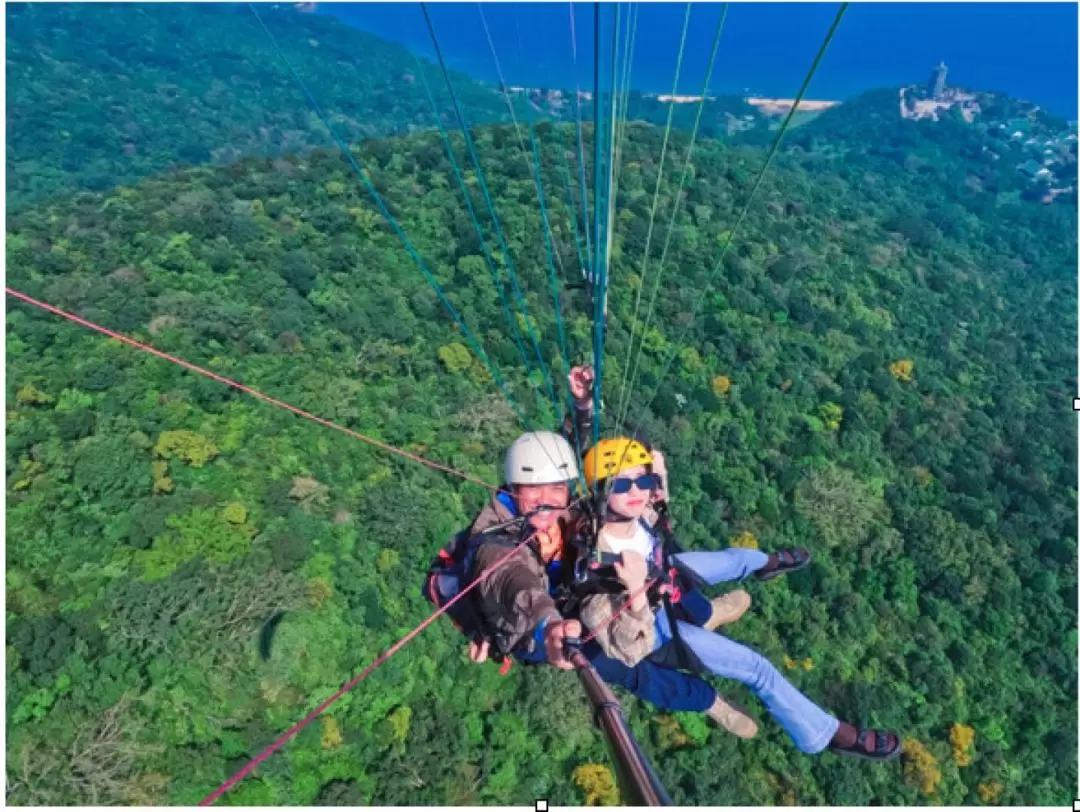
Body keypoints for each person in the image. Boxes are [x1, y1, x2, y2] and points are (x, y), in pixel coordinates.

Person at [576, 438, 901, 761]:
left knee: (732, 560)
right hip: (659, 630)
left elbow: (654, 510)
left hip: (667, 578)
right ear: (602, 490)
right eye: (622, 483)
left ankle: (765, 565)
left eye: (642, 481)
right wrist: (634, 592)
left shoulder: (635, 519)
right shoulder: (596, 561)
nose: (636, 491)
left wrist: (659, 472)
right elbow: (631, 652)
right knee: (757, 668)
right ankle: (824, 734)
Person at [461, 427, 757, 736]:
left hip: (574, 590)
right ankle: (708, 701)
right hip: (539, 630)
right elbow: (515, 583)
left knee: (659, 562)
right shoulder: (495, 544)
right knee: (630, 669)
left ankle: (706, 614)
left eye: (556, 489)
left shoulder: (557, 507)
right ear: (513, 487)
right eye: (534, 490)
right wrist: (548, 624)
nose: (546, 500)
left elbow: (576, 456)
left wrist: (582, 407)